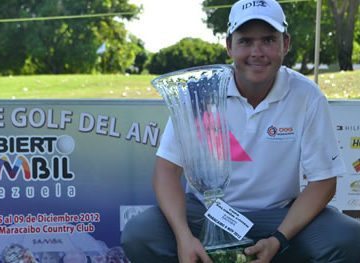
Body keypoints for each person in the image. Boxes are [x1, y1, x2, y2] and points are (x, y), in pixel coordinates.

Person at [121, 0, 360, 262]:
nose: (257, 52)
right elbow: (166, 170)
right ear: (229, 46)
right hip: (204, 212)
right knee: (140, 233)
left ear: (286, 44)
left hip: (278, 214)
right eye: (245, 41)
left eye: (268, 40)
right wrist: (183, 237)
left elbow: (324, 181)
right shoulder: (199, 93)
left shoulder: (307, 96)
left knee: (347, 238)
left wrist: (279, 239)